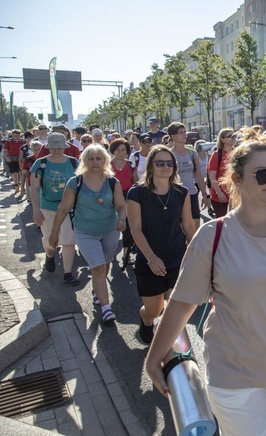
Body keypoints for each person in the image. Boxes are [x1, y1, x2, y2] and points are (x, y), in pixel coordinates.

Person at [145, 137, 266, 435]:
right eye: (262, 174)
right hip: (234, 372)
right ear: (236, 179)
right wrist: (154, 359)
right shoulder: (212, 235)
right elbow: (183, 302)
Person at [49, 144, 127, 322]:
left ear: (105, 161)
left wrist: (122, 219)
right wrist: (54, 233)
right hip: (85, 232)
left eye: (99, 158)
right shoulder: (75, 182)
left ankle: (96, 290)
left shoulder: (112, 181)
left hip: (110, 231)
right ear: (84, 161)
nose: (95, 162)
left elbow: (121, 206)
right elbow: (62, 209)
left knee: (105, 266)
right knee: (98, 267)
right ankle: (106, 309)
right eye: (90, 158)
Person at [128, 145, 194, 343]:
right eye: (160, 163)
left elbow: (189, 225)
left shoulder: (182, 192)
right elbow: (136, 229)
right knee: (154, 310)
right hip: (149, 259)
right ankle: (146, 320)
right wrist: (151, 258)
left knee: (175, 308)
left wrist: (201, 252)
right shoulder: (136, 193)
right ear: (151, 166)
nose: (165, 166)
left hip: (177, 256)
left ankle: (171, 350)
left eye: (169, 163)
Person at [30, 132, 81, 285]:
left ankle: (68, 273)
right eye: (53, 147)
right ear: (48, 147)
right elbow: (35, 188)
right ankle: (50, 255)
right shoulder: (40, 164)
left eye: (59, 147)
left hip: (68, 208)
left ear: (64, 147)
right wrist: (36, 210)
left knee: (69, 240)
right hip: (48, 207)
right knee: (50, 242)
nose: (57, 150)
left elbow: (80, 185)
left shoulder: (73, 163)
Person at [167, 122, 209, 229]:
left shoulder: (192, 153)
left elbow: (198, 175)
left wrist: (205, 194)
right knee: (180, 227)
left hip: (192, 193)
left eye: (185, 132)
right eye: (181, 132)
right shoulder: (169, 154)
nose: (184, 135)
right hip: (176, 194)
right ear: (173, 136)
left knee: (195, 224)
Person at [109, 138, 139, 268]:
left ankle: (126, 254)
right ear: (113, 151)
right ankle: (110, 252)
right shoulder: (107, 165)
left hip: (127, 196)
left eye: (124, 150)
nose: (121, 153)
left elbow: (136, 182)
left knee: (127, 226)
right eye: (118, 150)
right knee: (112, 225)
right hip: (110, 197)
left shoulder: (131, 165)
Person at [207, 127, 235, 218]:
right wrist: (219, 192)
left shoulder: (238, 153)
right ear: (223, 139)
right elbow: (212, 176)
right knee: (223, 222)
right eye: (230, 136)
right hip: (220, 196)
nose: (233, 138)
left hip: (235, 195)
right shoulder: (217, 154)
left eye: (234, 136)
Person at [3, 129, 24, 194]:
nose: (16, 137)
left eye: (18, 136)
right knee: (14, 173)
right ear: (12, 135)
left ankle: (22, 186)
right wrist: (7, 157)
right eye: (15, 136)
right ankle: (16, 185)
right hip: (12, 158)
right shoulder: (8, 141)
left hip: (21, 159)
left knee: (21, 172)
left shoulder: (23, 141)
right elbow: (5, 150)